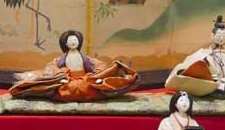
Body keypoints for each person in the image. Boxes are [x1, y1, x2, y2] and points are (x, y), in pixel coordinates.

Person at [9, 29, 139, 101]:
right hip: (68, 79)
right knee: (66, 89)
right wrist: (60, 75)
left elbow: (98, 64)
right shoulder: (61, 58)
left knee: (89, 87)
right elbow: (52, 66)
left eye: (75, 40)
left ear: (79, 42)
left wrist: (97, 75)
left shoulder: (85, 58)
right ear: (65, 43)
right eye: (70, 40)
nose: (72, 42)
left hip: (85, 78)